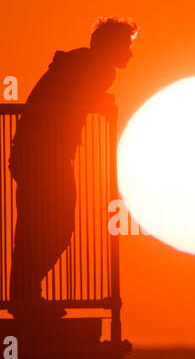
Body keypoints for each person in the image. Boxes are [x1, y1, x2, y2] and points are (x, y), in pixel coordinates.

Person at [8, 16, 137, 319]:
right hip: (45, 157)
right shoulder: (98, 70)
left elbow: (72, 97)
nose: (130, 54)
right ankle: (25, 297)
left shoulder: (81, 63)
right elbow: (75, 98)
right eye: (126, 47)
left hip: (37, 155)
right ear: (111, 47)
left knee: (38, 227)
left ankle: (26, 296)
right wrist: (101, 103)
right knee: (54, 228)